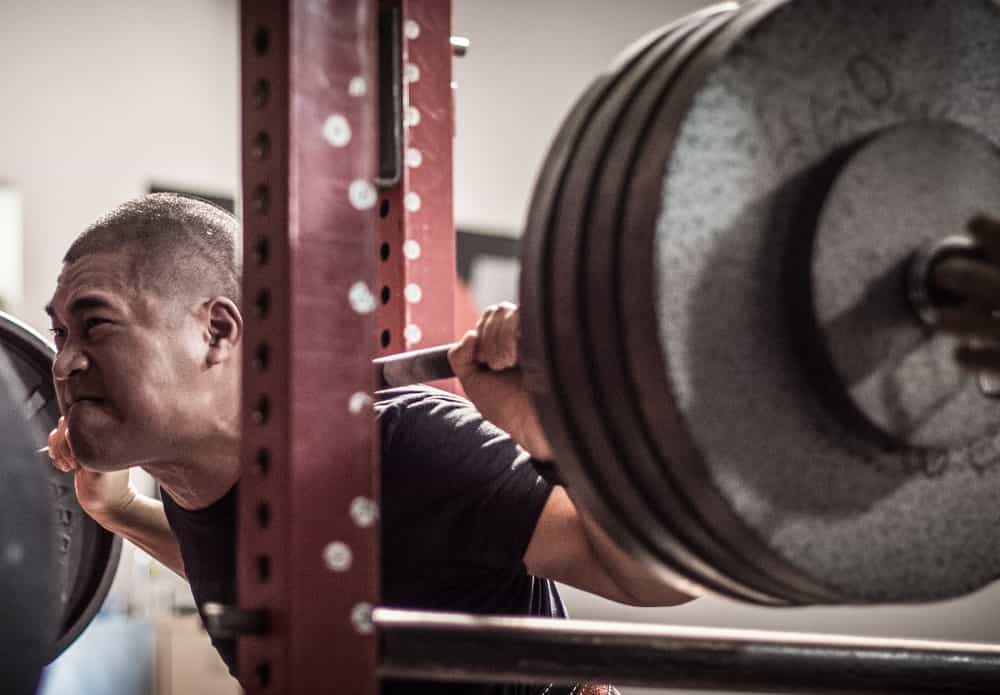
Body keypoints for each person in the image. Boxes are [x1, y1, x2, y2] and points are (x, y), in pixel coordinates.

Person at [43, 193, 692, 695]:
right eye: (59, 333)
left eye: (93, 325)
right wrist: (120, 510)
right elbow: (254, 571)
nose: (65, 362)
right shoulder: (202, 483)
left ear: (218, 331)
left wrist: (549, 433)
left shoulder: (407, 447)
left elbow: (651, 575)